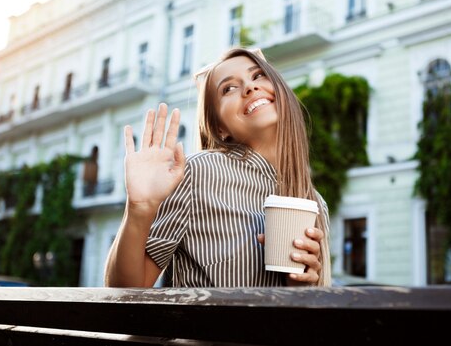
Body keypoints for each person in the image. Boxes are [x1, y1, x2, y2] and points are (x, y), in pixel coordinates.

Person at [105, 47, 331, 287]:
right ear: (220, 128)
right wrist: (138, 209)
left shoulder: (316, 204)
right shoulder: (196, 173)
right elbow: (125, 292)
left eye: (258, 75)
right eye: (229, 88)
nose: (250, 87)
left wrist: (302, 288)